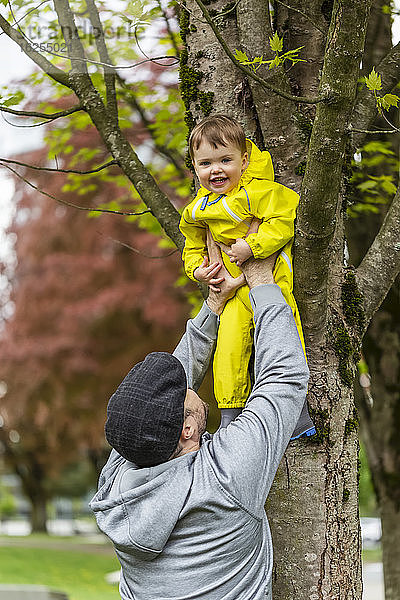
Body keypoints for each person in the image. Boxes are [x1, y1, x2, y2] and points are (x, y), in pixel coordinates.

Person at [90, 233, 310, 600]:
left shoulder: (119, 476)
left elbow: (170, 388)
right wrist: (261, 281)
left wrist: (214, 305)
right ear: (188, 429)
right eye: (183, 392)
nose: (188, 383)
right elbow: (284, 377)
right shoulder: (224, 477)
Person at [179, 114, 314, 437]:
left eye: (225, 160)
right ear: (195, 168)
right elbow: (192, 244)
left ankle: (297, 415)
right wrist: (198, 270)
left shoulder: (259, 192)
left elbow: (283, 219)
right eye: (206, 163)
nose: (216, 170)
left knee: (279, 339)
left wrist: (251, 247)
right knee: (228, 350)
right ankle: (231, 416)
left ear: (244, 160)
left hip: (269, 282)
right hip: (230, 293)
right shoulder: (199, 208)